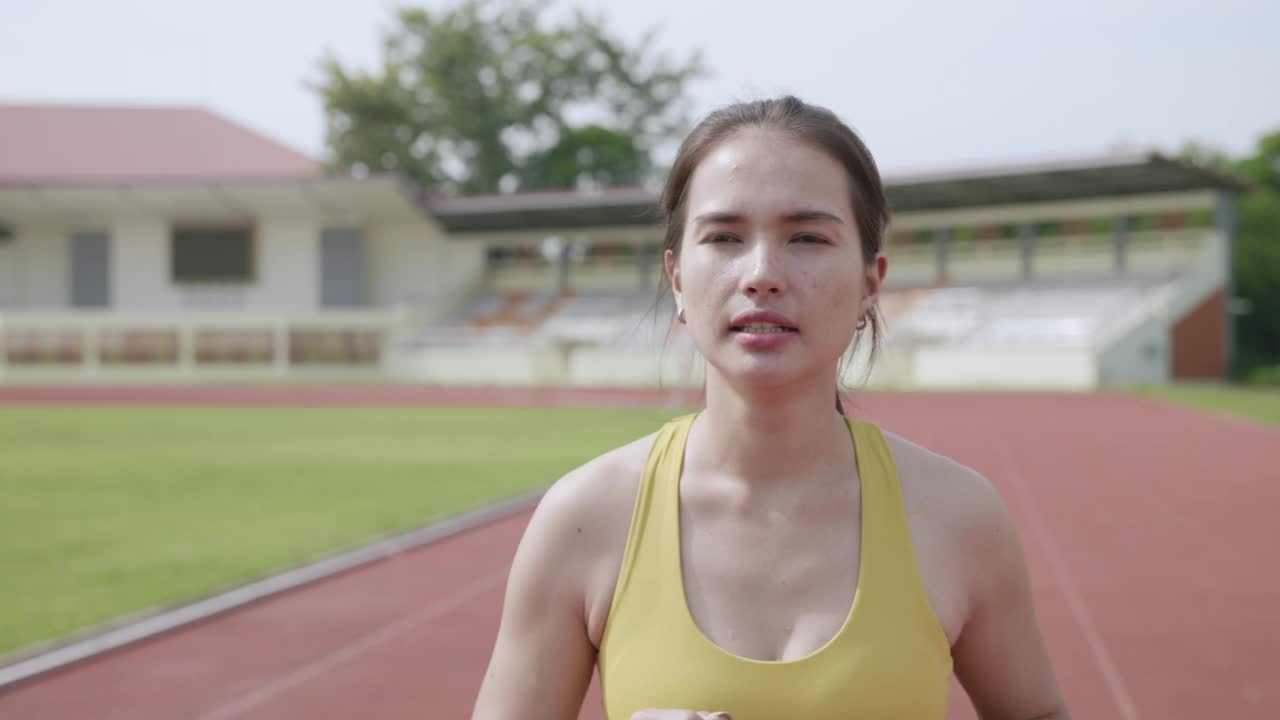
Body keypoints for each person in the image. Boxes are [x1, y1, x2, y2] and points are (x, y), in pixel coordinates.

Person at [471, 96, 1069, 720]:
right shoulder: (585, 520)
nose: (762, 274)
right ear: (677, 278)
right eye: (724, 237)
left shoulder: (959, 515)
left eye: (807, 237)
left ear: (871, 282)